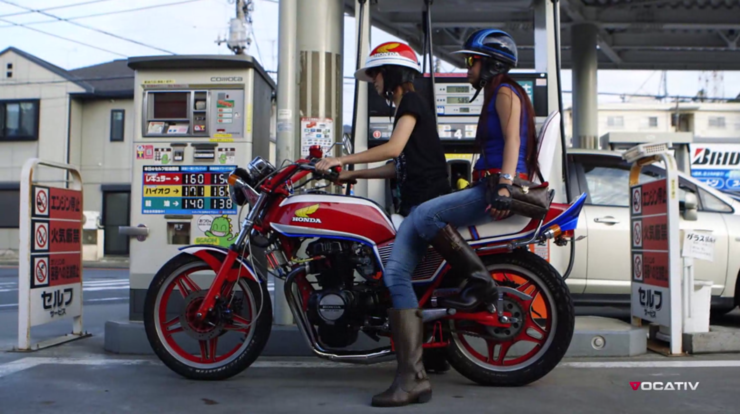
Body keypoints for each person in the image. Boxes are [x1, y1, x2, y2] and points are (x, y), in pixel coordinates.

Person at [373, 27, 540, 399]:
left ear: (491, 63)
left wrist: (504, 185)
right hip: (487, 183)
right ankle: (411, 377)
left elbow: (513, 139)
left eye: (472, 61)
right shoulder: (496, 93)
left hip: (492, 186)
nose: (467, 68)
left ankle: (479, 280)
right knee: (396, 272)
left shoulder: (506, 92)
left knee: (424, 216)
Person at [315, 41, 449, 407]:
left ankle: (412, 377)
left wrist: (340, 158)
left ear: (389, 72)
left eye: (375, 75)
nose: (373, 83)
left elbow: (392, 148)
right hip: (418, 204)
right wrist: (353, 173)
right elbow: (397, 164)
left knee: (395, 275)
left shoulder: (411, 102)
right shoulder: (412, 105)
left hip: (424, 207)